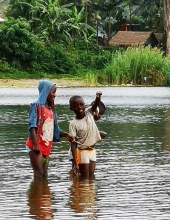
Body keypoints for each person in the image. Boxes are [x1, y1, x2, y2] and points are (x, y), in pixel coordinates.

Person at [25, 79, 75, 178]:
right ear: (46, 92)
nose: (54, 95)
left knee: (45, 175)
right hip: (36, 145)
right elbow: (32, 126)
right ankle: (38, 192)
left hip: (46, 146)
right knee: (39, 174)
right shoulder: (36, 106)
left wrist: (65, 134)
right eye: (53, 92)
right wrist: (35, 144)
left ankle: (43, 193)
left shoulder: (51, 109)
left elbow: (54, 128)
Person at [69, 91, 106, 177]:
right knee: (84, 177)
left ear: (85, 105)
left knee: (91, 176)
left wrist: (98, 98)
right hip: (82, 151)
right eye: (75, 106)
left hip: (92, 150)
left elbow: (95, 105)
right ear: (71, 109)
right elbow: (73, 143)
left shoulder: (89, 112)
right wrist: (75, 163)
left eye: (81, 104)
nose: (79, 107)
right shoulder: (73, 124)